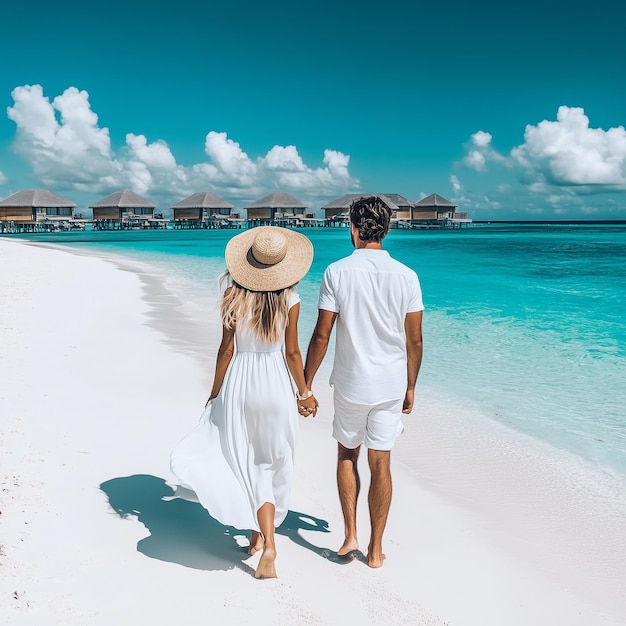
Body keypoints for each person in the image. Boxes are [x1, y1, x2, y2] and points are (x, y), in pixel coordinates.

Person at [170, 226, 318, 579]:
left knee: (243, 461)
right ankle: (263, 541)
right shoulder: (291, 300)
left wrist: (215, 391)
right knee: (270, 464)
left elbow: (226, 350)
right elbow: (294, 353)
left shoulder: (232, 296)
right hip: (275, 384)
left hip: (239, 383)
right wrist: (304, 393)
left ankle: (260, 539)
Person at [304, 195, 424, 568]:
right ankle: (375, 550)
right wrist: (410, 386)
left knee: (346, 453)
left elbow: (322, 335)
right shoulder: (407, 276)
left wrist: (304, 385)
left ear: (353, 228)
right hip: (389, 385)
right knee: (381, 464)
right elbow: (414, 341)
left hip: (352, 384)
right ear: (386, 229)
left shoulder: (337, 271)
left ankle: (350, 536)